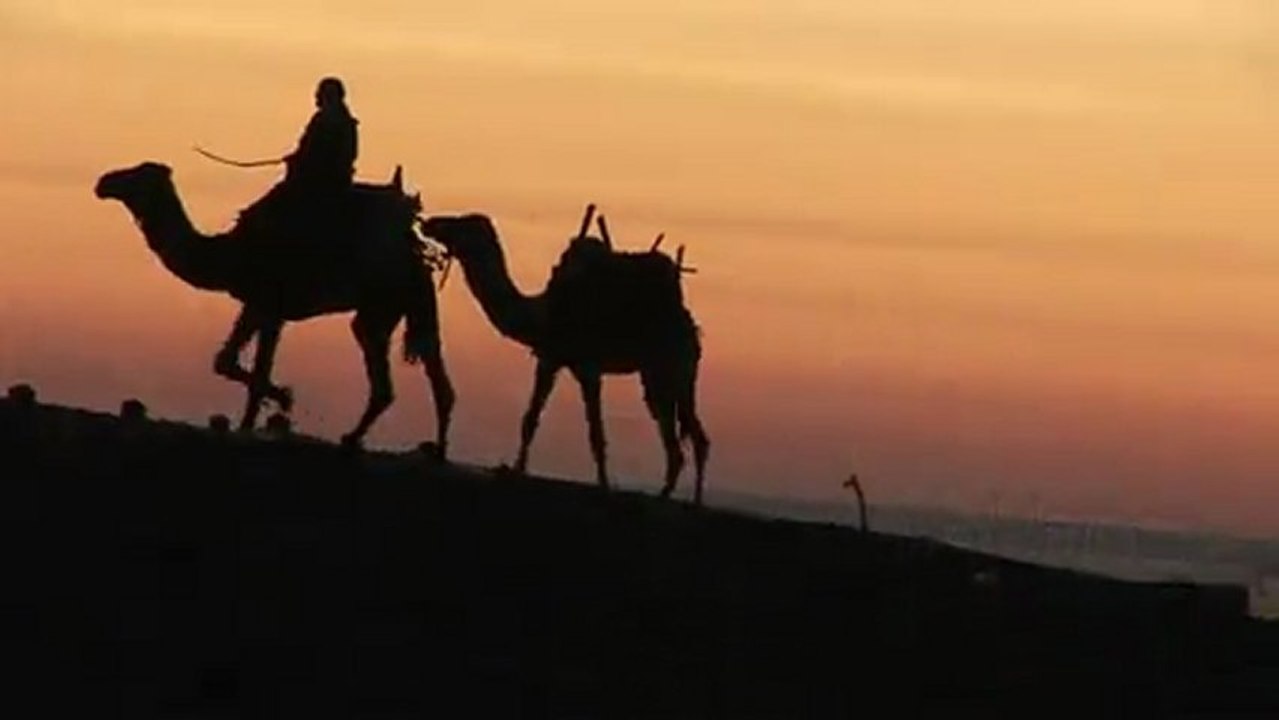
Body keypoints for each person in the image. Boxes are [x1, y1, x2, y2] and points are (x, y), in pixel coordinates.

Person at [236, 77, 359, 247]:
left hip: (321, 182)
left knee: (277, 201)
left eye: (320, 94)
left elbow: (323, 155)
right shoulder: (337, 121)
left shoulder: (330, 122)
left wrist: (300, 162)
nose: (316, 98)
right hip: (322, 179)